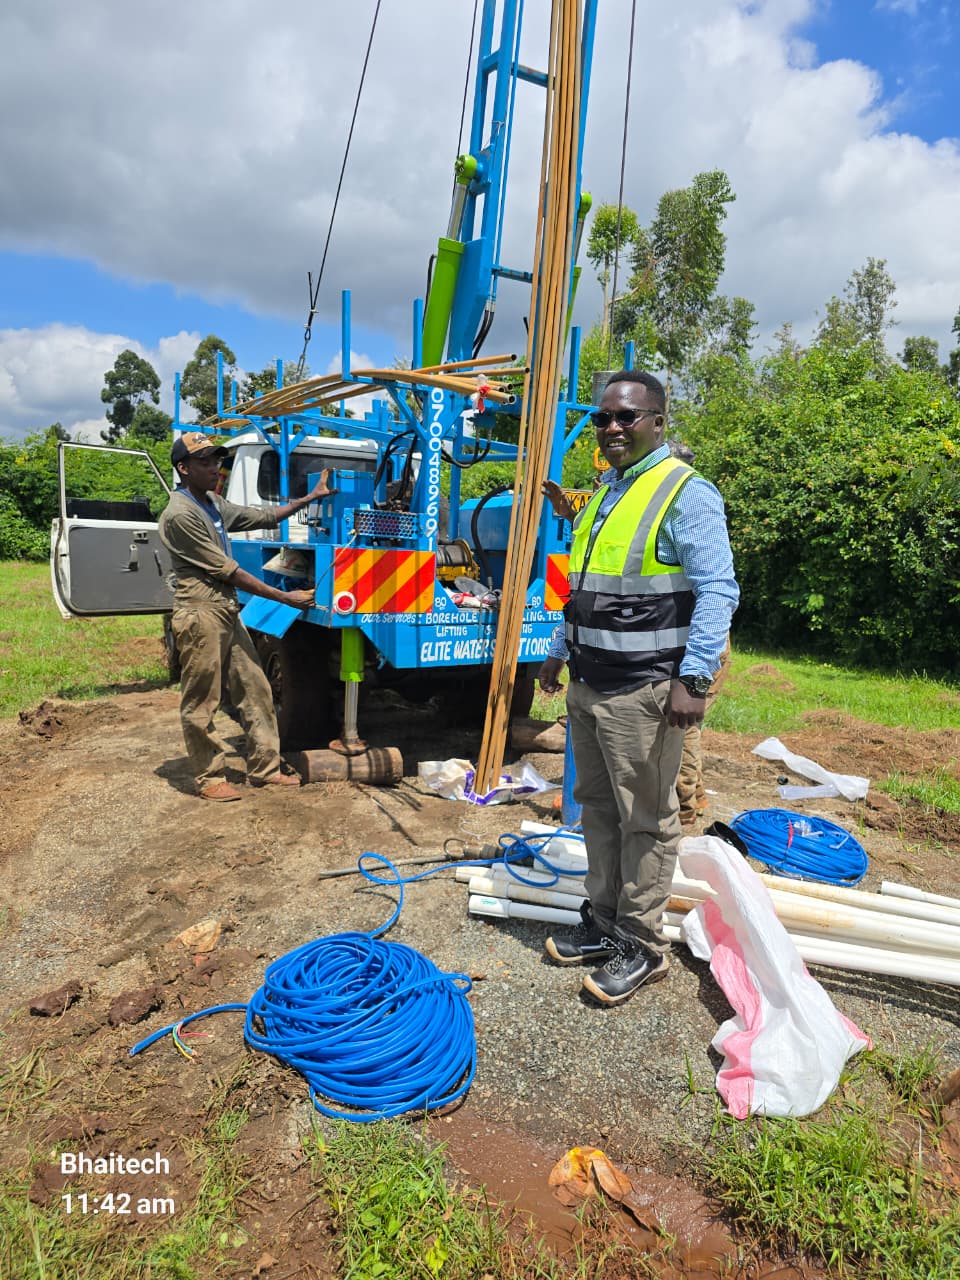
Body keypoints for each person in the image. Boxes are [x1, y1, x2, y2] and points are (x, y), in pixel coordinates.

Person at [539, 371, 738, 1005]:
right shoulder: (603, 493)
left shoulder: (686, 493)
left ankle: (641, 946)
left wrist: (696, 678)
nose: (613, 427)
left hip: (646, 693)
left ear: (658, 420)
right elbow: (582, 587)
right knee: (597, 811)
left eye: (628, 416)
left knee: (646, 823)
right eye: (603, 418)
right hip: (591, 684)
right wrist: (555, 651)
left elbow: (718, 590)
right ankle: (602, 923)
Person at [158, 431, 333, 802]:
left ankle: (265, 769)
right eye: (204, 462)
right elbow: (230, 570)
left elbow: (263, 514)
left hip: (225, 610)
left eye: (216, 460)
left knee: (255, 687)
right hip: (200, 612)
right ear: (183, 468)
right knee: (202, 699)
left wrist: (311, 498)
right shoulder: (180, 514)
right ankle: (208, 777)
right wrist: (283, 596)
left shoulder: (211, 503)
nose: (214, 468)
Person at [666, 439, 730, 829]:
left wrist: (693, 673)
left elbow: (715, 590)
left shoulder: (690, 504)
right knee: (687, 727)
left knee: (683, 728)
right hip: (698, 640)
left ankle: (685, 807)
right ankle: (698, 795)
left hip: (701, 642)